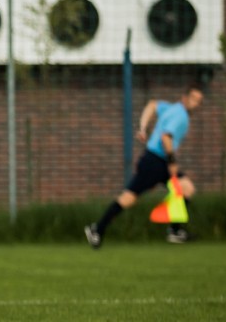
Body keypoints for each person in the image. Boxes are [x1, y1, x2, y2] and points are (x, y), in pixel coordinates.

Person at [85, 86, 203, 249]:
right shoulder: (181, 115)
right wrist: (172, 162)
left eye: (199, 101)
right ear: (184, 98)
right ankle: (97, 229)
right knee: (129, 198)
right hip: (155, 162)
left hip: (156, 160)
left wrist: (142, 127)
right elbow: (166, 137)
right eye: (193, 99)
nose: (196, 103)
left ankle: (175, 230)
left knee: (186, 187)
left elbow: (152, 104)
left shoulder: (170, 108)